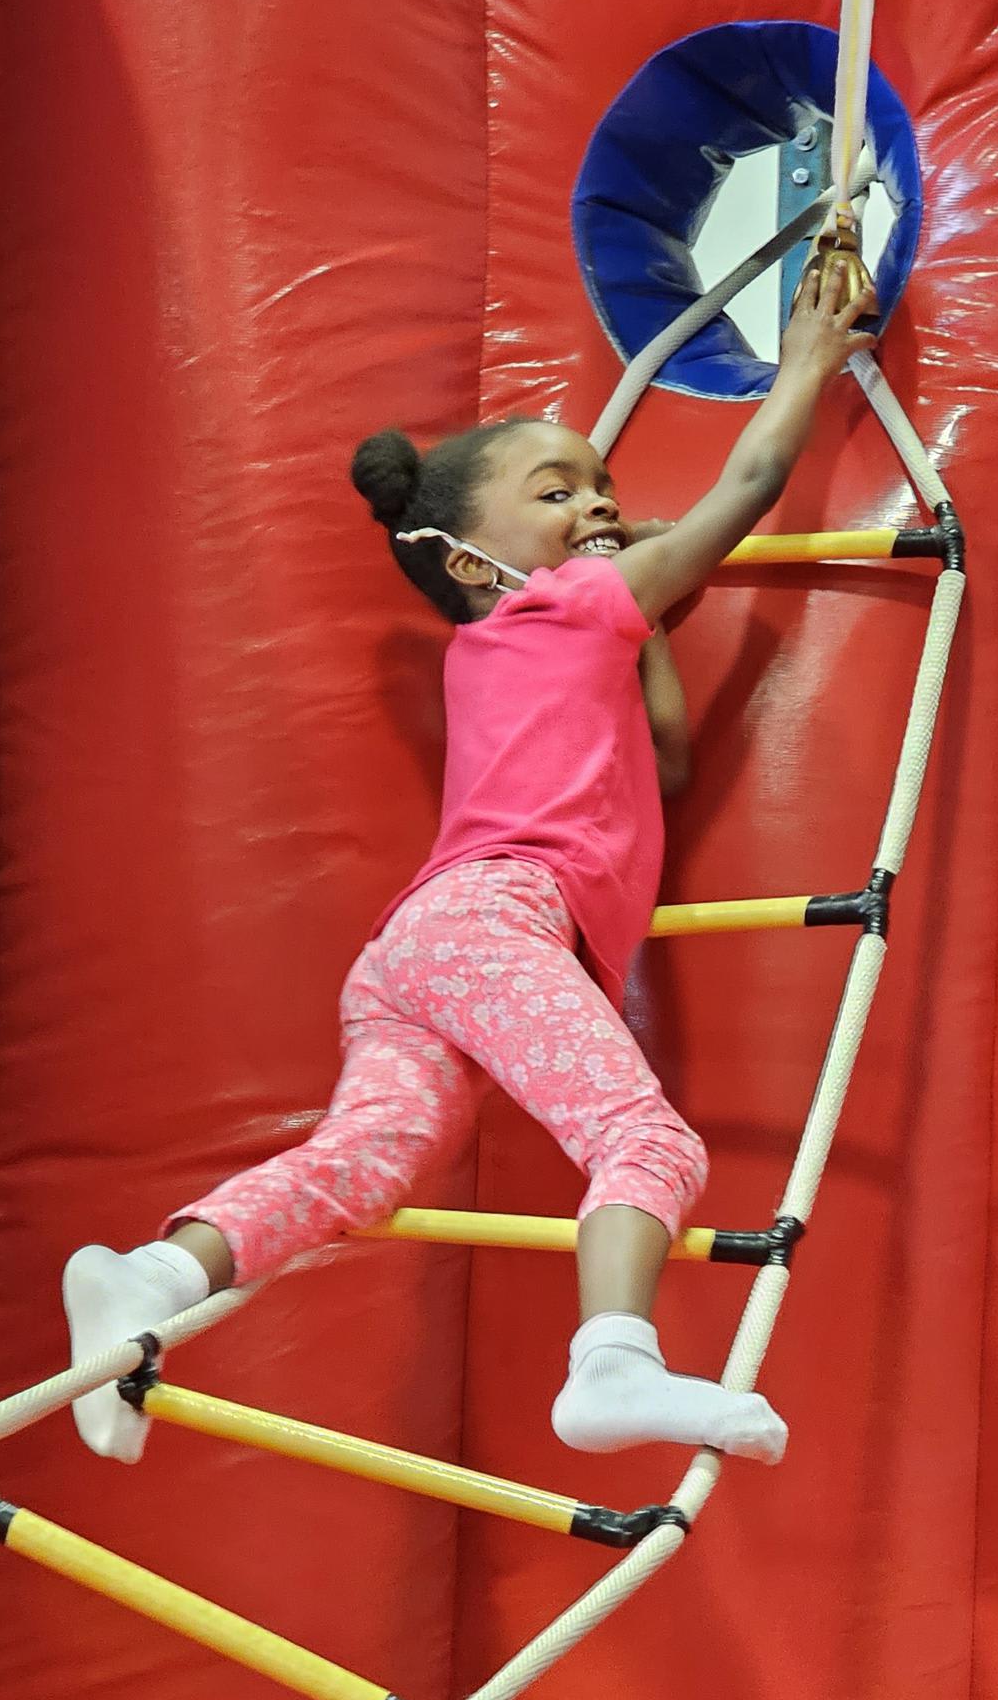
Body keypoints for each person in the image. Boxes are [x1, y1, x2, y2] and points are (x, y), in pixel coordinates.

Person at [62, 263, 878, 1469]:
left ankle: (153, 1275)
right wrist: (805, 362)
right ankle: (612, 1362)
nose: (597, 506)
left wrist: (646, 609)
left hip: (418, 952)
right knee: (647, 1142)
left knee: (366, 1163)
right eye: (558, 492)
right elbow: (747, 488)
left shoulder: (534, 635)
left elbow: (667, 756)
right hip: (495, 922)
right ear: (467, 560)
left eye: (602, 488)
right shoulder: (568, 605)